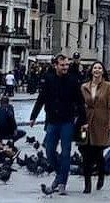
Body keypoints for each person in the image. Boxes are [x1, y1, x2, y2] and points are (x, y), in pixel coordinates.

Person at [29, 53, 86, 195]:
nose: (65, 67)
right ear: (56, 65)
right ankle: (60, 174)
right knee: (49, 151)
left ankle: (62, 183)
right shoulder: (49, 79)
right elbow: (41, 98)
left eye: (67, 65)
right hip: (52, 120)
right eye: (62, 65)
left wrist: (83, 121)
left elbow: (80, 102)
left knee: (66, 152)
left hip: (67, 120)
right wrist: (33, 116)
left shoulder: (73, 81)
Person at [80, 61, 110, 194]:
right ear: (91, 71)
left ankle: (101, 175)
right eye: (94, 68)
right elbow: (79, 104)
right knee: (85, 152)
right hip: (84, 124)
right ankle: (87, 184)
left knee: (98, 153)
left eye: (99, 68)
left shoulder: (109, 87)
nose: (96, 70)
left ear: (103, 71)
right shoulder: (84, 87)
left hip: (101, 123)